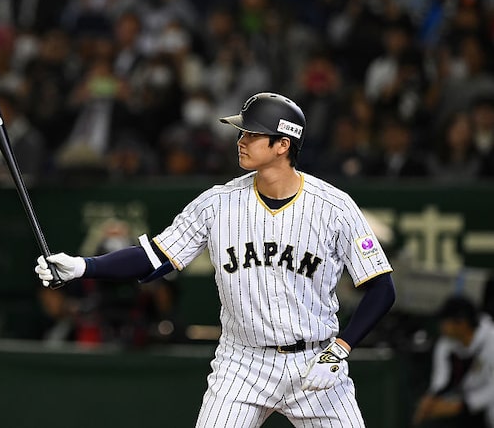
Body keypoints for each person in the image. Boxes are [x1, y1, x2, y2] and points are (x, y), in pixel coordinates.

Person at [35, 92, 396, 427]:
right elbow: (155, 256)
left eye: (252, 134)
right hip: (242, 363)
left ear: (282, 144)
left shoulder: (334, 206)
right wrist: (84, 267)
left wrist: (340, 350)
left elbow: (382, 288)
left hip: (315, 359)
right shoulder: (216, 203)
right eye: (242, 133)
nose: (240, 141)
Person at [412, 295, 494, 427]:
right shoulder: (445, 343)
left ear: (461, 323)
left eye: (445, 321)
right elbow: (440, 380)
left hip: (484, 402)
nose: (441, 326)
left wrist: (462, 406)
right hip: (466, 399)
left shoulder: (491, 340)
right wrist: (430, 399)